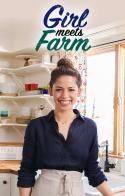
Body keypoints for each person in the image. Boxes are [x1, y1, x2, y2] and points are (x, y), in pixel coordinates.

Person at [17, 58, 115, 196]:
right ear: (51, 90)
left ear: (78, 92)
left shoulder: (89, 127)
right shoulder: (36, 126)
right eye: (58, 89)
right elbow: (27, 170)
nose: (65, 95)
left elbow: (93, 171)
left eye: (71, 90)